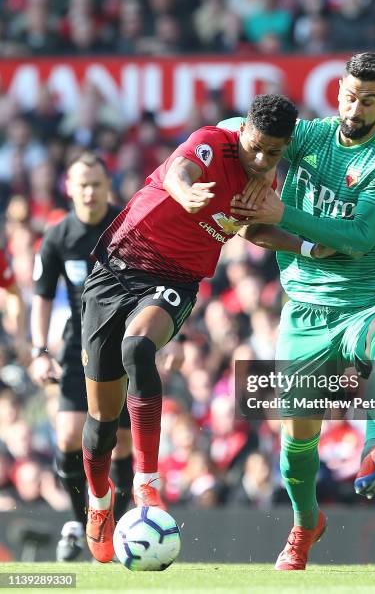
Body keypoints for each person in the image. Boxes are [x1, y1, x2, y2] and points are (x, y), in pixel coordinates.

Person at [79, 93, 332, 563]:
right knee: (99, 423)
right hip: (114, 271)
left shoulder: (265, 179)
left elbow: (252, 232)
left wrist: (308, 246)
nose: (261, 159)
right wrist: (185, 192)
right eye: (256, 147)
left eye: (273, 152)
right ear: (244, 133)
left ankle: (147, 484)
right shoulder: (213, 142)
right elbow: (181, 172)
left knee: (139, 347)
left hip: (174, 280)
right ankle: (98, 504)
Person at [229, 53, 375, 570]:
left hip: (368, 298)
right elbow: (234, 129)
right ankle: (305, 523)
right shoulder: (308, 137)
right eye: (351, 96)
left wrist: (282, 212)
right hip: (307, 310)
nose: (357, 108)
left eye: (370, 100)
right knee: (297, 440)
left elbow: (358, 238)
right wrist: (223, 143)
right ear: (339, 90)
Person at [30, 153, 133, 562]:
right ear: (69, 188)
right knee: (70, 435)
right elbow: (40, 297)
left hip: (124, 342)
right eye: (82, 184)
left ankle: (115, 531)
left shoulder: (126, 224)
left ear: (107, 186)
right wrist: (40, 351)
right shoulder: (57, 236)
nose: (89, 191)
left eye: (96, 183)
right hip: (77, 346)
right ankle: (80, 520)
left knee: (121, 443)